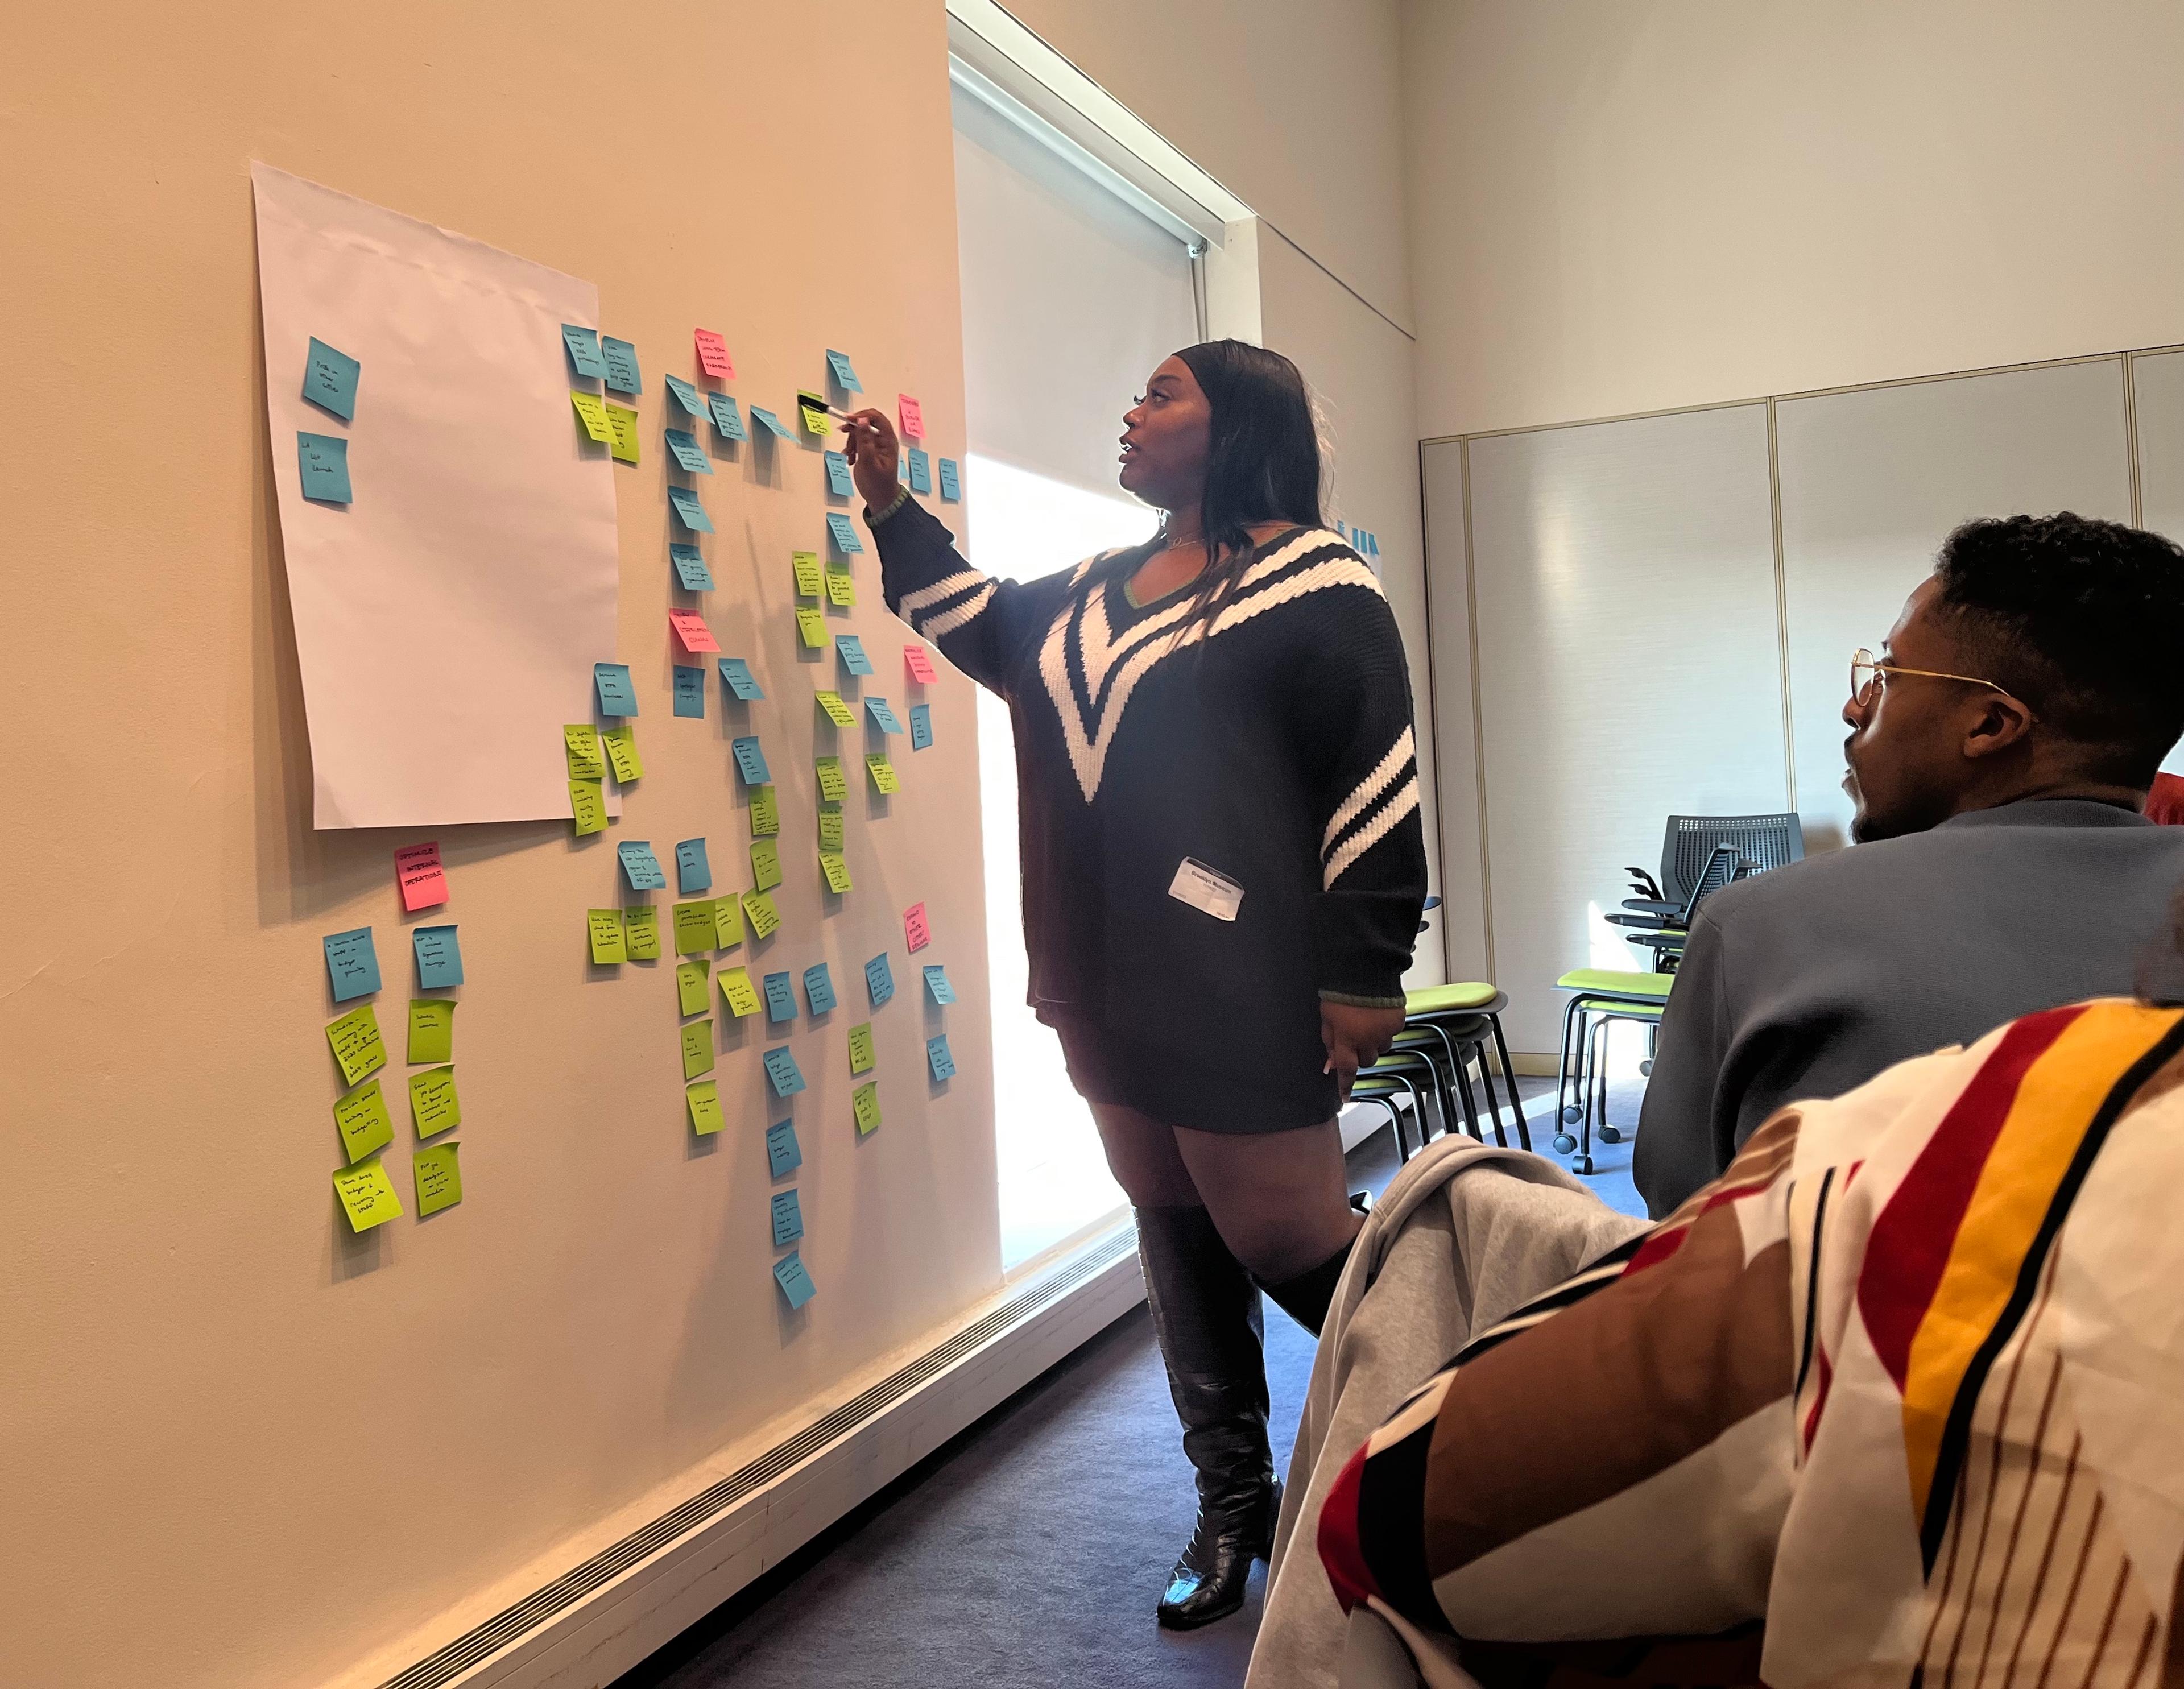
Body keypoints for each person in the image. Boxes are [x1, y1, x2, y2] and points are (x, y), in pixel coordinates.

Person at [841, 341, 1428, 1630]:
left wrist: (1362, 971)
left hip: (1242, 977)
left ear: (1237, 425)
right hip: (1094, 976)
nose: (1130, 409)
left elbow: (1374, 785)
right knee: (1170, 1227)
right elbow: (974, 620)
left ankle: (1455, 1439)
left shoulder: (1320, 584)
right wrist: (890, 506)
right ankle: (1233, 1505)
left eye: (1161, 394)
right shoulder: (1089, 588)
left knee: (1281, 1238)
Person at [1314, 965, 2184, 1685]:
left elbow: (1671, 1187)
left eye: (1864, 738)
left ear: (1992, 739)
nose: (1851, 753)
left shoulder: (1993, 1130)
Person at [1632, 511, 2184, 1217]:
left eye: (1887, 676)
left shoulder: (1757, 931)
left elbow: (1681, 1224)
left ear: (1989, 726)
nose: (1854, 706)